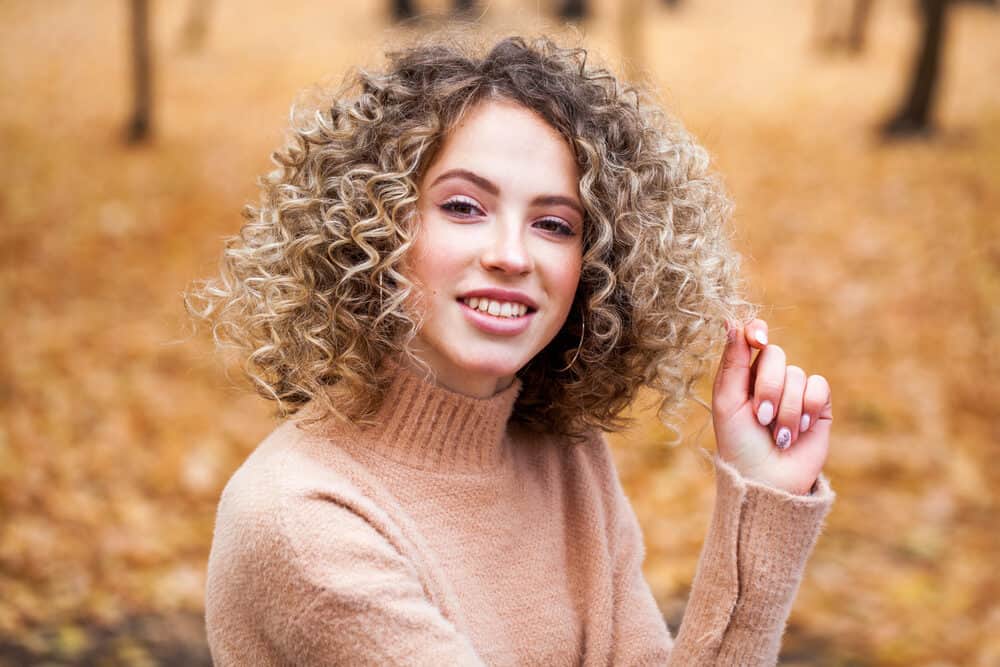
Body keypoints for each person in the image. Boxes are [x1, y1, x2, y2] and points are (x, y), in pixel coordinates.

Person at [190, 32, 834, 666]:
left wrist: (761, 500)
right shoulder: (302, 522)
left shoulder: (566, 458)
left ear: (597, 264)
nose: (510, 255)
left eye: (554, 224)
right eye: (465, 207)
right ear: (376, 228)